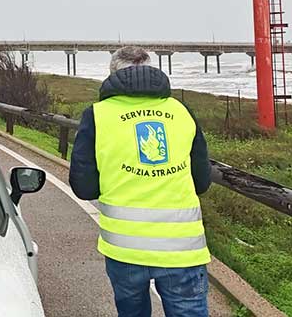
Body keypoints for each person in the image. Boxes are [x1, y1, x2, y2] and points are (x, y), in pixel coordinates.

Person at [69, 46, 211, 317]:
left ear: (112, 74)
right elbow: (201, 181)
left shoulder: (97, 115)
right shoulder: (182, 112)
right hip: (182, 249)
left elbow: (84, 186)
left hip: (125, 249)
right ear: (151, 69)